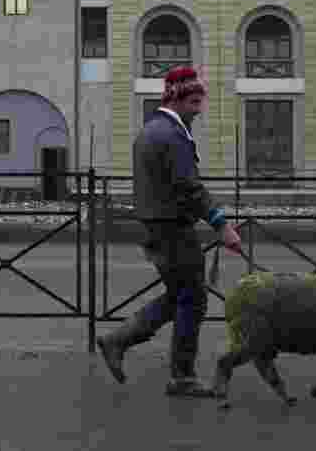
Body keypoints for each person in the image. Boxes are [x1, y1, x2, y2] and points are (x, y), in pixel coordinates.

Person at [96, 65, 243, 397]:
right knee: (193, 299)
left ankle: (118, 341)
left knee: (182, 295)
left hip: (156, 226)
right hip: (173, 228)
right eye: (194, 102)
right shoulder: (172, 135)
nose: (199, 110)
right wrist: (222, 225)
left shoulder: (151, 129)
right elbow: (189, 188)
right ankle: (181, 376)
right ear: (176, 98)